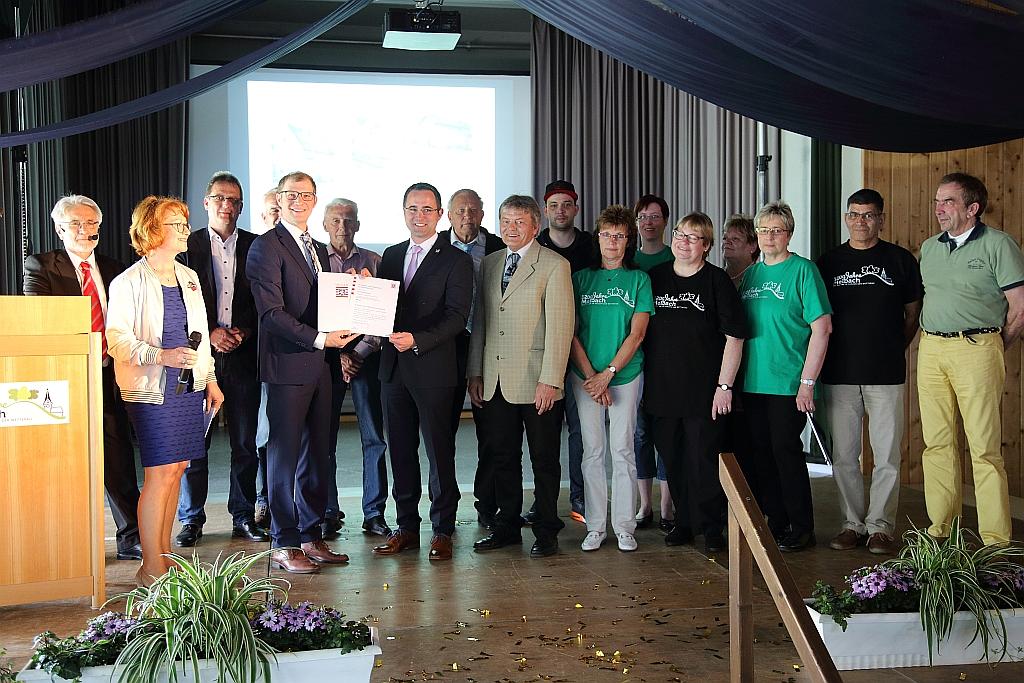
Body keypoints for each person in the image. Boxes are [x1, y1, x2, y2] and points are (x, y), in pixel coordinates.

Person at [105, 196, 224, 585]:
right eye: (177, 225)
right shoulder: (128, 282)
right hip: (151, 390)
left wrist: (210, 379)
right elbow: (117, 341)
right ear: (152, 230)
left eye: (185, 223)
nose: (186, 230)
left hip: (189, 388)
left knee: (177, 469)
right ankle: (150, 566)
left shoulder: (188, 276)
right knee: (159, 473)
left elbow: (201, 335)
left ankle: (164, 555)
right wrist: (160, 355)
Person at [246, 171, 357, 574]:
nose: (299, 201)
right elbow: (271, 314)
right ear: (279, 199)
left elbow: (323, 304)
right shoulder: (265, 246)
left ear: (314, 199)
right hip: (288, 366)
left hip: (322, 367)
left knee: (317, 454)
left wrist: (351, 290)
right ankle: (284, 542)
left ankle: (310, 535)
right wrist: (320, 339)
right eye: (291, 194)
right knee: (283, 457)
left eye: (306, 195)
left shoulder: (318, 248)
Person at [23, 195, 143, 562]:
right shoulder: (41, 266)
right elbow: (40, 321)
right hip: (65, 380)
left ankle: (131, 538)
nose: (85, 230)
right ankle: (69, 544)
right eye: (76, 223)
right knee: (66, 462)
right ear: (60, 229)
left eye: (92, 223)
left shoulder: (115, 268)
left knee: (119, 459)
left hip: (110, 375)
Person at [918, 173, 1024, 545]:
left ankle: (995, 540)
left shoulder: (999, 245)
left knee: (984, 448)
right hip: (931, 349)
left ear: (972, 208)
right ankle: (941, 531)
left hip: (977, 348)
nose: (938, 209)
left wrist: (992, 345)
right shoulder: (929, 248)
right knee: (936, 444)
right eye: (937, 201)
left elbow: (1019, 309)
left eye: (947, 201)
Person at [467, 195, 575, 557]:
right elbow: (482, 322)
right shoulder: (490, 262)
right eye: (505, 221)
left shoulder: (555, 265)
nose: (510, 228)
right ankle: (507, 527)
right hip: (494, 378)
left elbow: (561, 327)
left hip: (537, 380)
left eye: (519, 222)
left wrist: (551, 380)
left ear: (535, 226)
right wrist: (475, 372)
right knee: (502, 456)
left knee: (544, 460)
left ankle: (546, 529)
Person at [372, 182, 473, 562]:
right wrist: (364, 291)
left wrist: (417, 340)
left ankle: (443, 529)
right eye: (413, 208)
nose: (420, 216)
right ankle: (406, 528)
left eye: (427, 209)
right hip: (393, 370)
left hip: (434, 368)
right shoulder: (391, 255)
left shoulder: (457, 260)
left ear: (440, 214)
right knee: (400, 452)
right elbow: (383, 308)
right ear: (404, 212)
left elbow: (457, 318)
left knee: (439, 453)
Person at [817, 189, 922, 555]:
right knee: (844, 456)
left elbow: (913, 313)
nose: (860, 221)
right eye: (854, 214)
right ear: (846, 218)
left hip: (886, 373)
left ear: (881, 219)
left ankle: (880, 527)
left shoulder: (900, 260)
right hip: (839, 373)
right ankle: (852, 524)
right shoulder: (828, 262)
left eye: (868, 215)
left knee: (887, 455)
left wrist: (893, 347)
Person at [644, 212, 747, 554]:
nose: (683, 242)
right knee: (673, 459)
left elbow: (735, 337)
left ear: (706, 245)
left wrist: (724, 387)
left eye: (693, 237)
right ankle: (684, 522)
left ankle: (712, 526)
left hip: (705, 391)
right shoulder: (655, 278)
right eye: (679, 234)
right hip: (663, 390)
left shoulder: (716, 281)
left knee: (704, 460)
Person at [174, 171, 267, 548]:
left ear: (241, 207)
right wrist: (210, 332)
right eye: (220, 198)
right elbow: (175, 304)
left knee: (245, 444)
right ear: (206, 203)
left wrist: (244, 330)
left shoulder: (258, 246)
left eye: (234, 200)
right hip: (199, 359)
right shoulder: (185, 246)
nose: (226, 205)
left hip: (244, 358)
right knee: (195, 444)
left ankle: (243, 515)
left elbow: (266, 301)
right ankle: (191, 518)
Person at [739, 201, 832, 552]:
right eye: (763, 230)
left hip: (788, 383)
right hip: (752, 382)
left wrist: (807, 383)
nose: (769, 237)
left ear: (789, 234)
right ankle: (775, 522)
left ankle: (801, 526)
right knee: (760, 454)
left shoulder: (804, 271)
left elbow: (822, 329)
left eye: (776, 230)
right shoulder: (751, 275)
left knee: (786, 453)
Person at [571, 205, 654, 552]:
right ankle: (594, 526)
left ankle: (624, 526)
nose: (612, 242)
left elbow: (637, 334)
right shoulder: (581, 279)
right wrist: (593, 377)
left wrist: (609, 374)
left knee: (622, 450)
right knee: (592, 451)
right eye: (606, 235)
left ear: (628, 240)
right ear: (598, 238)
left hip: (624, 375)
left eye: (619, 236)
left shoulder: (639, 280)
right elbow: (571, 332)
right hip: (585, 377)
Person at [322, 198, 391, 538]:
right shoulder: (315, 261)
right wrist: (339, 356)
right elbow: (311, 315)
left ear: (359, 225)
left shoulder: (374, 262)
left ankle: (374, 513)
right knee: (323, 439)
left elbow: (383, 318)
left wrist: (358, 354)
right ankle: (327, 511)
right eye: (336, 220)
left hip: (367, 359)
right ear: (324, 224)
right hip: (325, 362)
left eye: (349, 220)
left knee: (374, 437)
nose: (342, 227)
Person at [436, 188, 505, 529]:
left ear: (482, 215)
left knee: (490, 432)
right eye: (460, 210)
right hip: (443, 347)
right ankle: (444, 507)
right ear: (448, 215)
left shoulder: (498, 248)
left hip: (488, 345)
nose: (467, 216)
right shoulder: (434, 247)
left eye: (473, 210)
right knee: (441, 432)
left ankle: (487, 504)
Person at [536, 179, 591, 524]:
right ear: (545, 210)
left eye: (566, 205)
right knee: (544, 435)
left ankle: (579, 500)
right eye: (554, 205)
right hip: (543, 352)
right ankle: (543, 502)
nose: (560, 211)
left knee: (581, 432)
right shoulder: (535, 245)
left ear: (576, 209)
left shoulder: (591, 246)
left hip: (582, 350)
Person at [631, 194, 675, 532]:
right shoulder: (628, 261)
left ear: (665, 222)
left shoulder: (675, 259)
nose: (649, 222)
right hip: (634, 358)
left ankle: (666, 506)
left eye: (655, 216)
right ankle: (644, 505)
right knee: (640, 434)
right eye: (643, 216)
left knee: (666, 434)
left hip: (666, 358)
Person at [254, 188, 280, 528]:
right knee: (262, 435)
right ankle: (263, 499)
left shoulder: (310, 252)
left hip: (295, 360)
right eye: (273, 210)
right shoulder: (258, 249)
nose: (279, 215)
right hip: (259, 361)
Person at [722, 214, 759, 286]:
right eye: (725, 238)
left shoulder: (761, 279)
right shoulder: (713, 277)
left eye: (735, 239)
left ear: (753, 246)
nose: (727, 242)